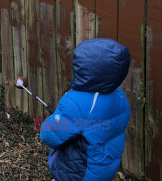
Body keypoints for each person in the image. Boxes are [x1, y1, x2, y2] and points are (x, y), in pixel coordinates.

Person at [40, 38, 131, 181]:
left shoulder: (76, 103)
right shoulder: (120, 96)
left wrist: (61, 114)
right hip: (104, 170)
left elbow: (48, 135)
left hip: (77, 172)